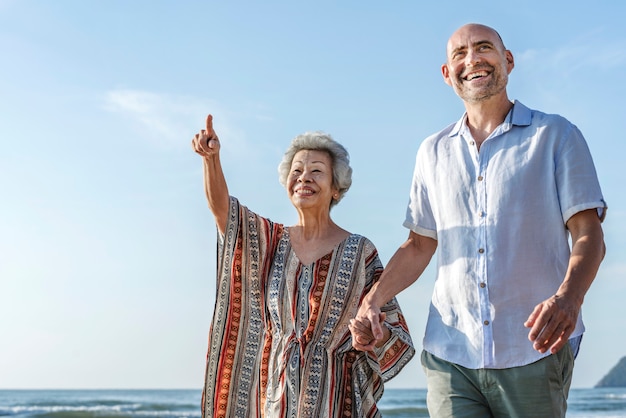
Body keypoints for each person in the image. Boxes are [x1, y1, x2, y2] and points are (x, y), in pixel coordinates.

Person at [349, 23, 607, 417]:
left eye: (484, 48)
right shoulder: (431, 151)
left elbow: (589, 234)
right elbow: (420, 244)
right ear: (446, 73)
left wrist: (570, 298)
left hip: (534, 348)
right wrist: (372, 303)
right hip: (451, 353)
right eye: (460, 54)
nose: (472, 60)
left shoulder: (556, 135)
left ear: (507, 60)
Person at [191, 115, 415, 418]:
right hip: (274, 399)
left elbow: (391, 331)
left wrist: (371, 335)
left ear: (336, 188)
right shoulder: (269, 241)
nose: (304, 177)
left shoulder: (360, 251)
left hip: (337, 400)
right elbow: (223, 212)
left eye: (316, 171)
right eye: (297, 171)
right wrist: (211, 160)